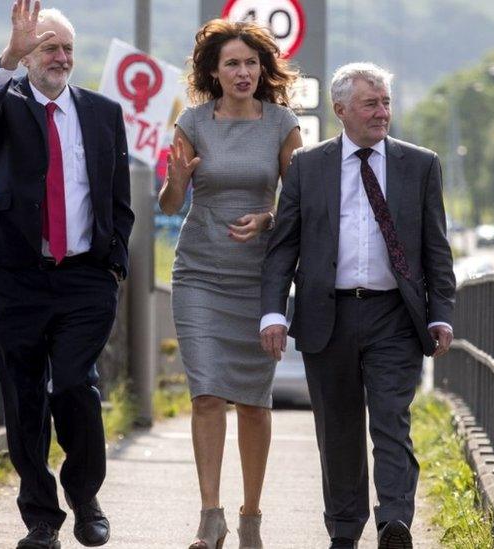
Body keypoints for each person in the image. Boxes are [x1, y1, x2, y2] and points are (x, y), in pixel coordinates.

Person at [260, 63, 456, 549]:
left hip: (395, 315)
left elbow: (436, 246)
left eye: (386, 102)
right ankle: (344, 533)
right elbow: (284, 246)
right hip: (329, 315)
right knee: (339, 431)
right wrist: (272, 313)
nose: (382, 112)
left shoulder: (420, 164)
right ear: (341, 109)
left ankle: (394, 522)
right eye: (371, 104)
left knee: (392, 418)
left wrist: (440, 311)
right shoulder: (308, 166)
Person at [0, 2, 133, 547]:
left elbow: (118, 200)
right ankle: (41, 517)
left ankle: (84, 494)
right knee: (24, 395)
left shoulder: (104, 113)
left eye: (66, 48)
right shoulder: (5, 108)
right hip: (17, 275)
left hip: (85, 276)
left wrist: (115, 262)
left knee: (74, 383)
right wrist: (10, 51)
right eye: (47, 47)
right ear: (30, 56)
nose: (60, 57)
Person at [158, 19, 302, 549]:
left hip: (258, 279)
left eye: (250, 63)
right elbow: (171, 206)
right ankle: (210, 514)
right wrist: (175, 184)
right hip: (198, 272)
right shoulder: (192, 123)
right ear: (213, 73)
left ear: (263, 69)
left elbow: (298, 201)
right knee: (207, 395)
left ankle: (251, 517)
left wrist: (267, 219)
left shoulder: (282, 122)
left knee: (255, 403)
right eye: (231, 64)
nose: (243, 72)